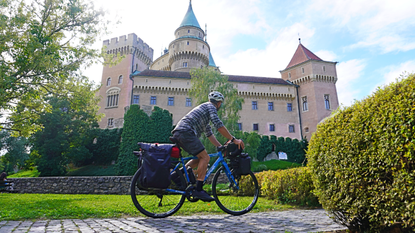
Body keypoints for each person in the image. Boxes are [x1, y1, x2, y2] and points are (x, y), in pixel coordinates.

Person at [172, 91, 244, 202]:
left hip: (180, 132)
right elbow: (218, 125)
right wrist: (233, 139)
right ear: (219, 103)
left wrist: (220, 146)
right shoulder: (211, 107)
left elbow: (209, 134)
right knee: (205, 157)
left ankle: (178, 174)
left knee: (199, 157)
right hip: (186, 132)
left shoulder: (204, 111)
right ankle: (199, 189)